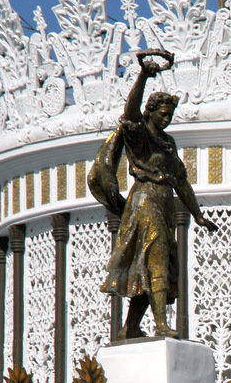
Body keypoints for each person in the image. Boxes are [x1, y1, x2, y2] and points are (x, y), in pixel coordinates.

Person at [91, 50, 215, 339]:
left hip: (163, 204)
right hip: (144, 200)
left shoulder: (168, 142)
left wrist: (198, 215)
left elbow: (181, 182)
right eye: (162, 114)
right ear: (150, 112)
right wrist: (143, 76)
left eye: (170, 115)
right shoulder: (140, 134)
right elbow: (129, 112)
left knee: (150, 264)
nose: (167, 119)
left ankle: (130, 328)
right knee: (156, 258)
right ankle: (161, 325)